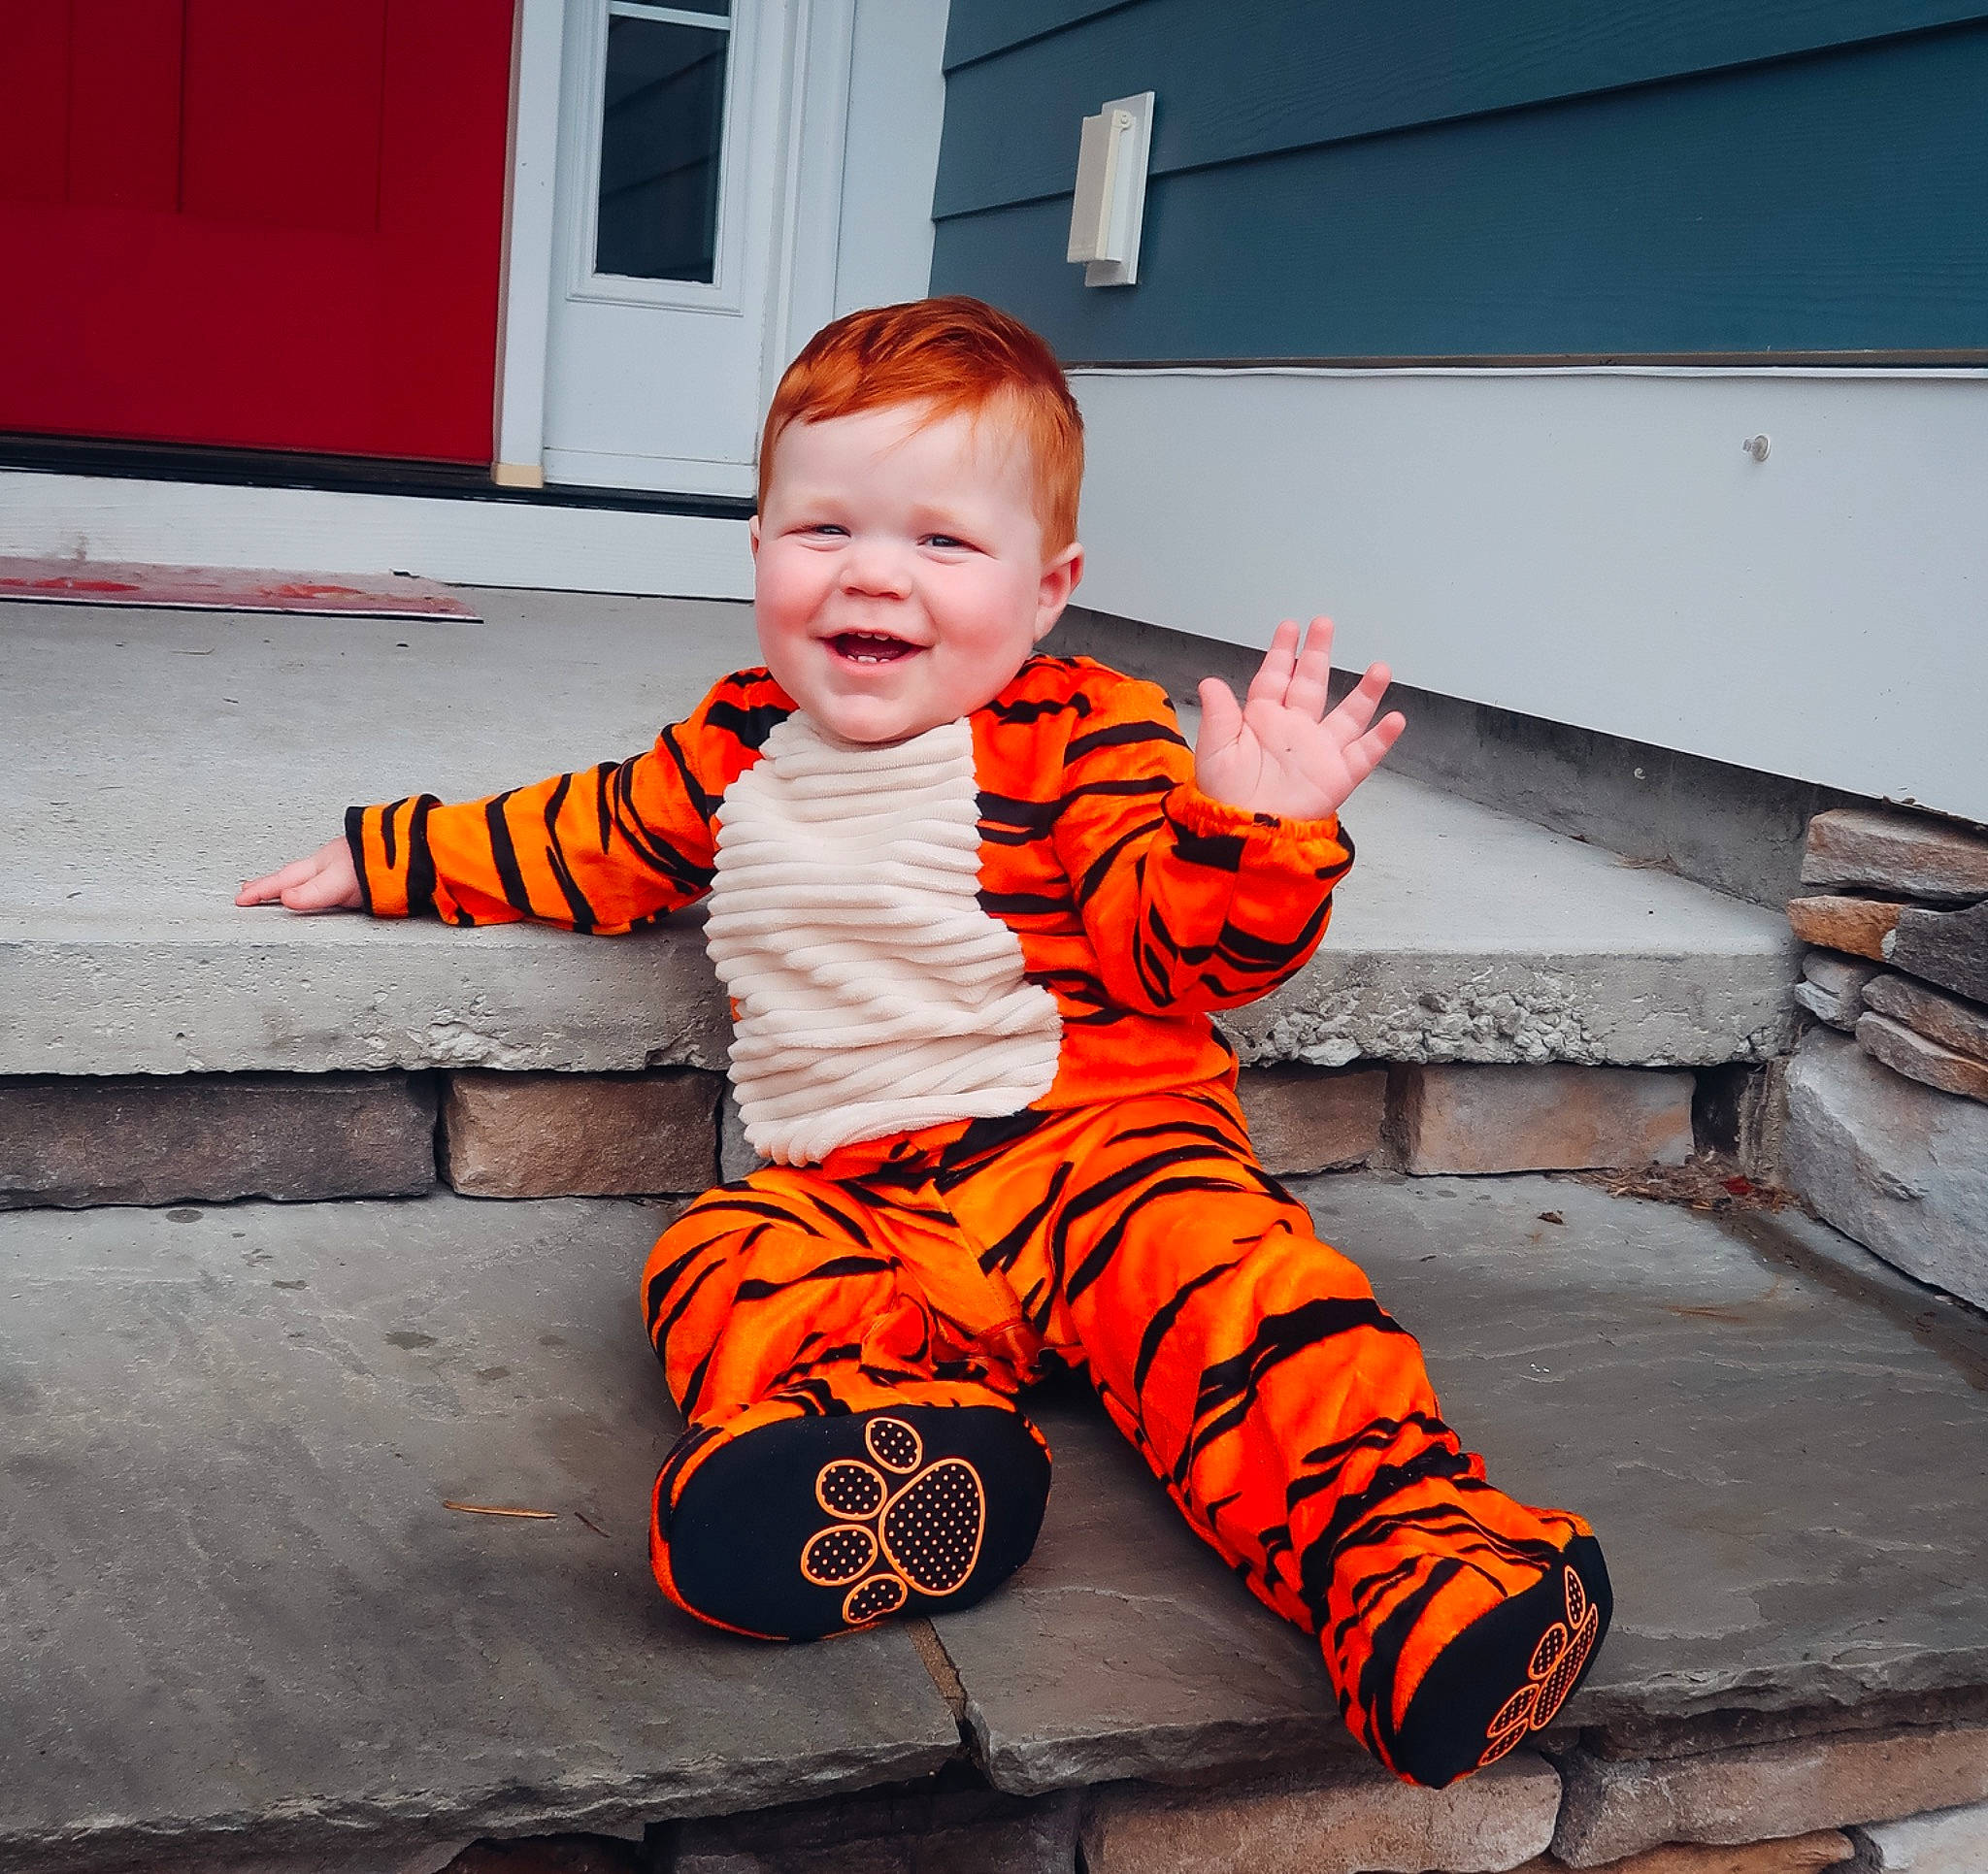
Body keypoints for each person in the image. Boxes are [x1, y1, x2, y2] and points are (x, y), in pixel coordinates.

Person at [239, 295, 1608, 1788]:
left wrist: (1252, 832)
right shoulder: (734, 740)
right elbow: (590, 835)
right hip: (863, 1200)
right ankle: (896, 1453)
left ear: (1044, 590)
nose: (872, 575)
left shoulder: (1092, 732)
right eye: (822, 531)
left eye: (943, 544)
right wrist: (397, 855)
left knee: (1254, 1313)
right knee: (718, 1256)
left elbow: (1182, 949)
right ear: (757, 552)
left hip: (1106, 1165)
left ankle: (1419, 1573)